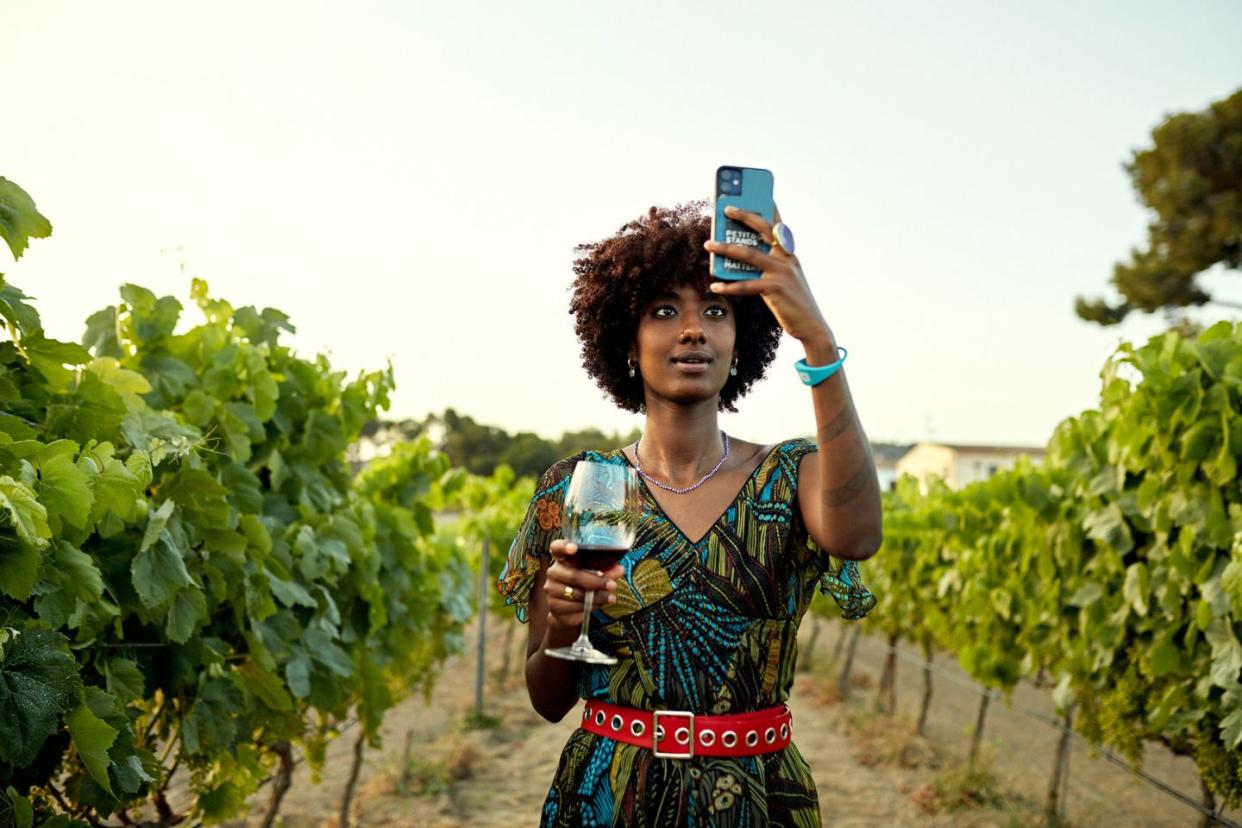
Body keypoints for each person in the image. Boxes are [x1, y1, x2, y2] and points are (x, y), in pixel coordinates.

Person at [497, 201, 881, 826]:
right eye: (665, 311)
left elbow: (859, 535)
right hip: (608, 797)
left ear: (743, 340)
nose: (693, 329)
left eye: (716, 310)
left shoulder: (791, 476)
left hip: (755, 800)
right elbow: (547, 700)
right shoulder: (581, 487)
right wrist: (566, 631)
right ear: (627, 340)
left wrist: (815, 337)